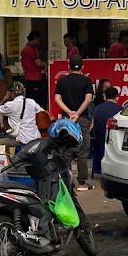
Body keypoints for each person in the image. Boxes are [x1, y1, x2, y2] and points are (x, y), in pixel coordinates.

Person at [54, 56, 94, 190]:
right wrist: (77, 113)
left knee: (66, 149)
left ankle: (66, 181)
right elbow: (88, 99)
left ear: (68, 66)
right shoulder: (86, 81)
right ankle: (82, 183)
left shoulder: (62, 81)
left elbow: (57, 99)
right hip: (82, 118)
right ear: (82, 67)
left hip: (66, 119)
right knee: (83, 150)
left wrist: (69, 112)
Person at [0, 81, 44, 146]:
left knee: (0, 142)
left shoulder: (10, 105)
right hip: (35, 137)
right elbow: (42, 112)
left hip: (22, 139)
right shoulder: (31, 102)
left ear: (11, 93)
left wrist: (4, 98)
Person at [92, 85, 121, 177]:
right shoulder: (120, 110)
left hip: (99, 141)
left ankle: (97, 171)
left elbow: (93, 125)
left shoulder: (97, 109)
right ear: (117, 97)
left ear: (104, 96)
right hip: (114, 142)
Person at [21, 30, 46, 104]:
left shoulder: (24, 49)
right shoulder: (33, 49)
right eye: (39, 40)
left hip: (27, 78)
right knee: (36, 102)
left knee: (29, 101)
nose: (39, 42)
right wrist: (44, 64)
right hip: (35, 78)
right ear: (35, 39)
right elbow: (38, 63)